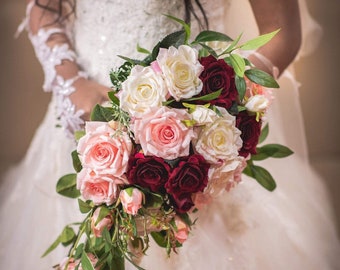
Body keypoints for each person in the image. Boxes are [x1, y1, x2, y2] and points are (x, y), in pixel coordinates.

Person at [0, 0, 339, 269]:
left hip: (197, 141)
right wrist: (72, 84)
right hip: (82, 134)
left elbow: (281, 32)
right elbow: (45, 8)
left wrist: (216, 115)